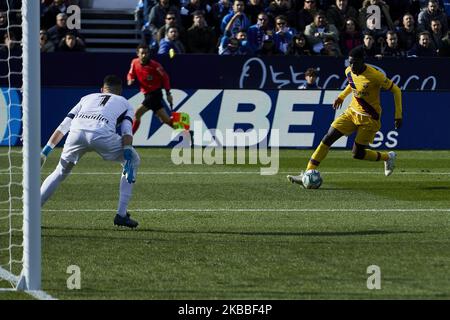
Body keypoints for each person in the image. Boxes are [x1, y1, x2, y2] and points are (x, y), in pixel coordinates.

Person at [287, 46, 403, 187]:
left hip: (369, 118)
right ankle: (308, 172)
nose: (351, 65)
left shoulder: (375, 75)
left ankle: (388, 157)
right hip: (351, 112)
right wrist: (341, 96)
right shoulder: (348, 71)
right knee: (327, 138)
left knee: (357, 153)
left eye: (354, 62)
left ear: (362, 61)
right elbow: (352, 84)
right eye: (350, 62)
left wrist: (398, 115)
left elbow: (396, 90)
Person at [40, 75, 140, 228]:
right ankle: (121, 214)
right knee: (133, 159)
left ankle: (32, 211)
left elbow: (64, 125)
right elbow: (127, 130)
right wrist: (127, 152)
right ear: (120, 91)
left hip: (76, 134)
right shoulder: (125, 103)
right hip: (102, 135)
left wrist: (46, 151)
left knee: (59, 172)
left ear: (102, 89)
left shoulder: (86, 97)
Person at [128, 44, 174, 134]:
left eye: (146, 53)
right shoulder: (134, 62)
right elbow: (130, 73)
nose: (144, 55)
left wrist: (168, 93)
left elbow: (165, 78)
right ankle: (188, 133)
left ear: (149, 54)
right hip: (147, 94)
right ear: (138, 53)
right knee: (166, 120)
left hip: (155, 94)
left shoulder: (155, 65)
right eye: (142, 53)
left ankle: (128, 138)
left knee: (137, 114)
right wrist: (130, 79)